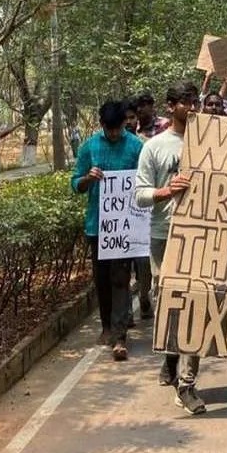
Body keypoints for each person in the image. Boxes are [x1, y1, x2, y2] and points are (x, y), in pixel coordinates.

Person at [134, 82, 207, 413]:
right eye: (186, 103)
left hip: (202, 237)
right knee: (169, 306)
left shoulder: (212, 142)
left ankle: (186, 385)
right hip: (164, 237)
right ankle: (171, 357)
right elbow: (140, 195)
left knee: (196, 306)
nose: (192, 108)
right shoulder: (154, 147)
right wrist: (167, 191)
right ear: (171, 106)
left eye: (195, 102)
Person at [71, 100, 145, 361]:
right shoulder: (89, 147)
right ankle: (106, 326)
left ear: (125, 123)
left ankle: (120, 336)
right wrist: (87, 178)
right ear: (102, 124)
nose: (114, 134)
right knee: (102, 280)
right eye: (109, 129)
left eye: (118, 128)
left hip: (126, 226)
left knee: (121, 278)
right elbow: (75, 183)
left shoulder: (136, 146)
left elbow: (146, 180)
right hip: (97, 226)